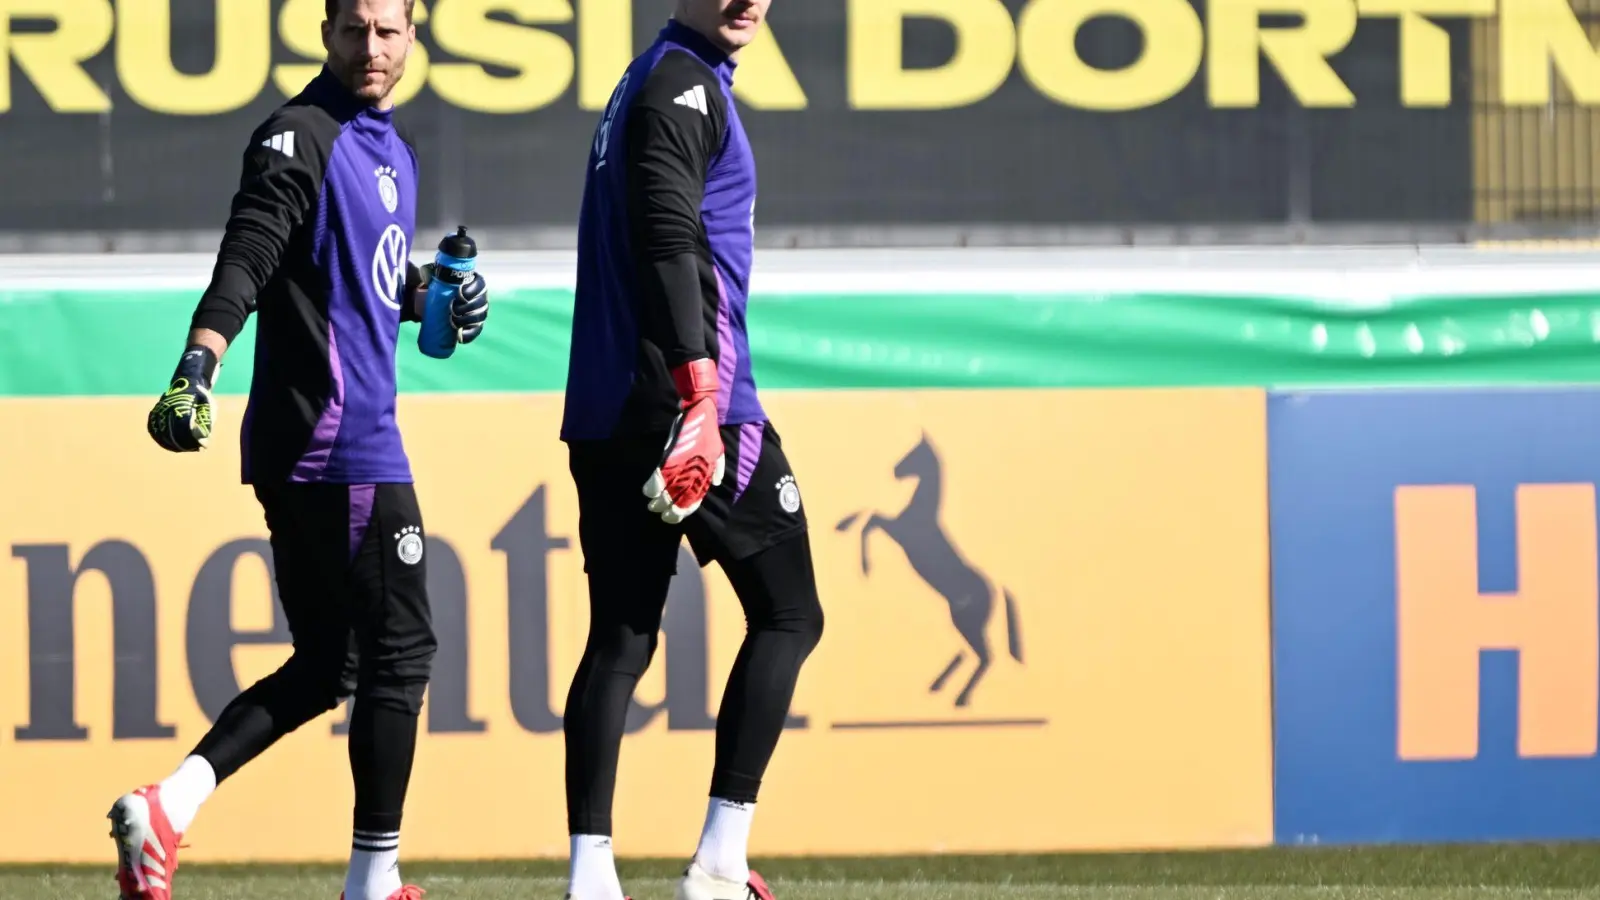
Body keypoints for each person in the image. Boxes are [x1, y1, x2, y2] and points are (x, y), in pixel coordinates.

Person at [108, 0, 490, 898]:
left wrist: (424, 292)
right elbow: (248, 254)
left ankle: (166, 806)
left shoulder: (391, 150)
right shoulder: (299, 134)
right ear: (326, 32)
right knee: (402, 653)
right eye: (354, 28)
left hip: (320, 448)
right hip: (338, 442)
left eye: (387, 30)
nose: (371, 47)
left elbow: (355, 276)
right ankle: (375, 881)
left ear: (412, 35)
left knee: (334, 664)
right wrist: (197, 365)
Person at [558, 1, 823, 899]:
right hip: (692, 406)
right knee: (791, 614)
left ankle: (591, 874)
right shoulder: (682, 86)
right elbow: (671, 240)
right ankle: (718, 858)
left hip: (606, 407)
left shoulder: (649, 78)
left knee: (620, 644)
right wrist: (702, 397)